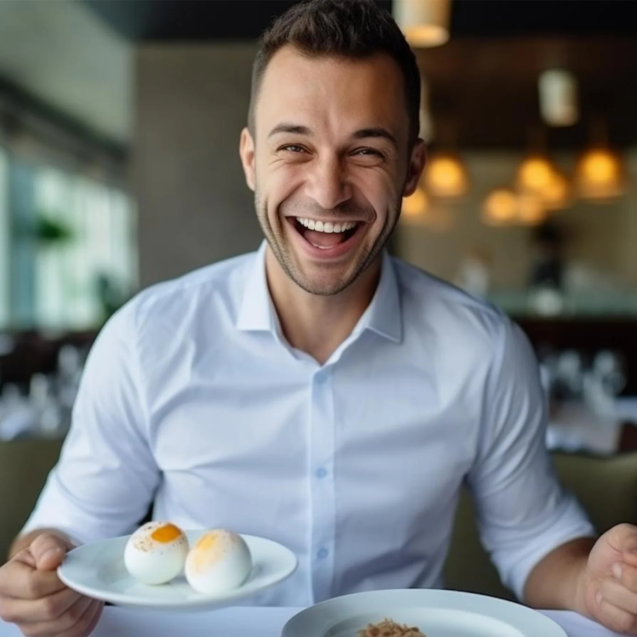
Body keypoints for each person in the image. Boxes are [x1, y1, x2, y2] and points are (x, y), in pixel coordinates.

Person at [2, 1, 637, 635]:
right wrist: (40, 574)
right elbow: (70, 530)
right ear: (252, 161)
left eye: (365, 152)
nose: (327, 190)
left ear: (411, 169)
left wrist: (591, 582)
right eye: (294, 147)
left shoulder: (486, 350)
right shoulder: (146, 339)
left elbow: (535, 539)